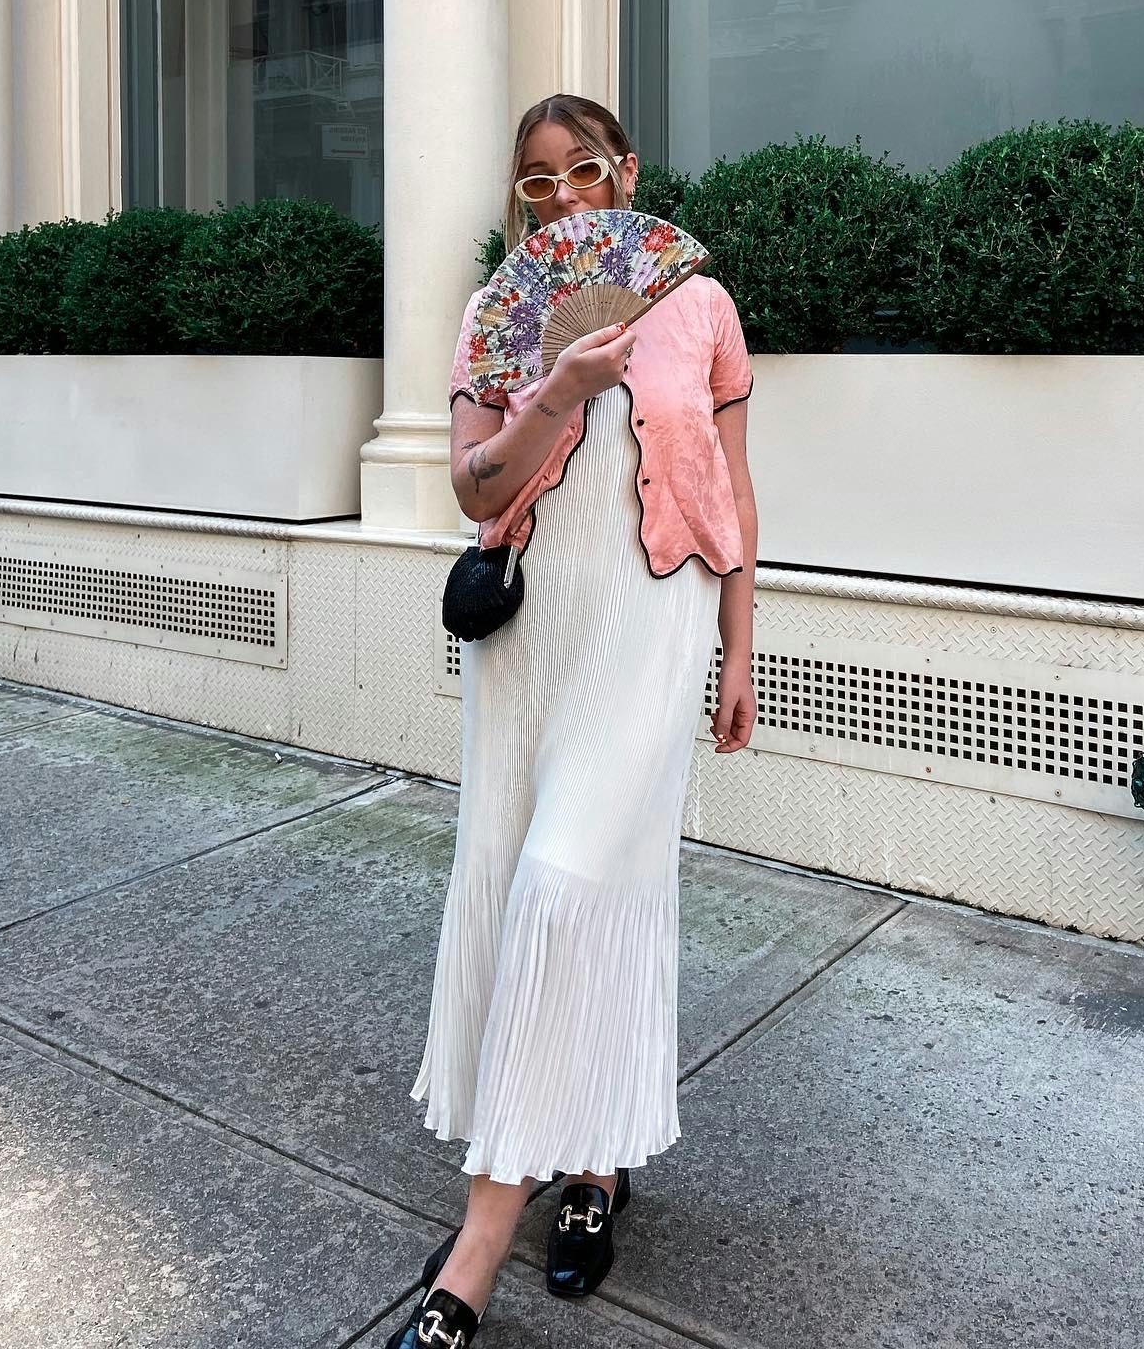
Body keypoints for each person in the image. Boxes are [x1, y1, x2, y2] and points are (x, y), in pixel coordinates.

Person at [386, 94, 758, 1349]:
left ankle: (476, 1251)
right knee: (518, 888)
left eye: (581, 171)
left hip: (656, 628)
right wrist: (555, 388)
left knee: (568, 884)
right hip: (531, 639)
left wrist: (742, 650)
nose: (561, 200)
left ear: (626, 172)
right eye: (535, 183)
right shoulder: (504, 314)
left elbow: (735, 492)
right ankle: (589, 1169)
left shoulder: (698, 305)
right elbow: (471, 486)